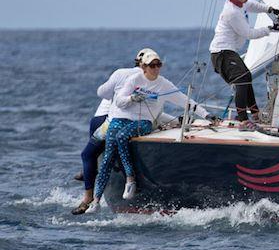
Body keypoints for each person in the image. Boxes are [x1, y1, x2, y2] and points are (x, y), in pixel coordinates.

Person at [85, 51, 212, 213]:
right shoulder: (134, 80)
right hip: (121, 117)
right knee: (109, 154)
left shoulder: (163, 84)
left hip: (143, 122)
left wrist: (206, 114)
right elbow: (119, 101)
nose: (156, 68)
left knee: (121, 136)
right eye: (152, 65)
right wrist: (132, 98)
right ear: (143, 67)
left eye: (159, 65)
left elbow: (185, 101)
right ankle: (95, 201)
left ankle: (130, 179)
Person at [71, 48, 154, 215]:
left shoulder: (121, 73)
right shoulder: (151, 80)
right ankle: (100, 175)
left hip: (106, 120)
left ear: (137, 61)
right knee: (111, 153)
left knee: (88, 155)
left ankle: (87, 197)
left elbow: (101, 92)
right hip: (132, 121)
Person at [209, 0, 279, 126]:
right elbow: (248, 34)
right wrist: (269, 29)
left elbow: (252, 5)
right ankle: (242, 119)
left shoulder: (240, 3)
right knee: (242, 79)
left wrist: (268, 9)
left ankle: (255, 114)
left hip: (228, 51)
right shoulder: (232, 12)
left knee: (247, 75)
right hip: (221, 53)